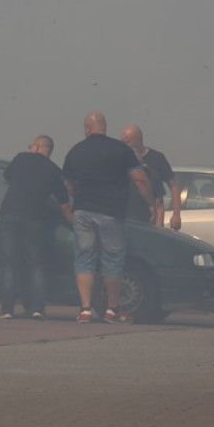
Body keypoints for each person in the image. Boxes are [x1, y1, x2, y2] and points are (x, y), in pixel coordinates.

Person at [62, 111, 155, 323]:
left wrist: (79, 198)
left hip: (83, 211)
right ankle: (112, 310)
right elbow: (139, 178)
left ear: (87, 128)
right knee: (112, 260)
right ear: (105, 127)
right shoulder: (120, 150)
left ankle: (85, 310)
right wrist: (151, 204)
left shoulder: (76, 151)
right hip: (110, 212)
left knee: (84, 258)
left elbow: (66, 183)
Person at [0, 135, 73, 320]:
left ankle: (7, 310)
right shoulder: (54, 170)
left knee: (10, 264)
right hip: (35, 219)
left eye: (31, 144)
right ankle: (37, 309)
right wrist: (74, 223)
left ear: (37, 147)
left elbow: (5, 178)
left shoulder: (21, 158)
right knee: (37, 265)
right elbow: (64, 204)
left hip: (10, 214)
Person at [121, 124, 182, 230]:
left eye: (127, 142)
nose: (124, 146)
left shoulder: (156, 159)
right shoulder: (122, 159)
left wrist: (176, 214)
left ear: (138, 140)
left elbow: (173, 186)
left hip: (150, 219)